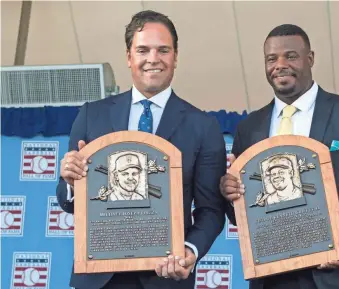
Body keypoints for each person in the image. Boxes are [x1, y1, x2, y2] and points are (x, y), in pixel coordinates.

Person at [220, 24, 339, 289]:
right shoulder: (249, 129)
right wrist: (231, 195)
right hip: (275, 280)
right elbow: (244, 216)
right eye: (271, 59)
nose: (280, 65)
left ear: (311, 59)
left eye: (290, 56)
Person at [56, 10, 227, 289]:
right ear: (128, 57)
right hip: (99, 278)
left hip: (165, 278)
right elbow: (67, 201)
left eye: (163, 50)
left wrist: (190, 251)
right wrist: (69, 182)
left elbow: (210, 210)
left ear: (175, 57)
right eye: (143, 50)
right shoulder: (91, 115)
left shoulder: (203, 126)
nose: (153, 59)